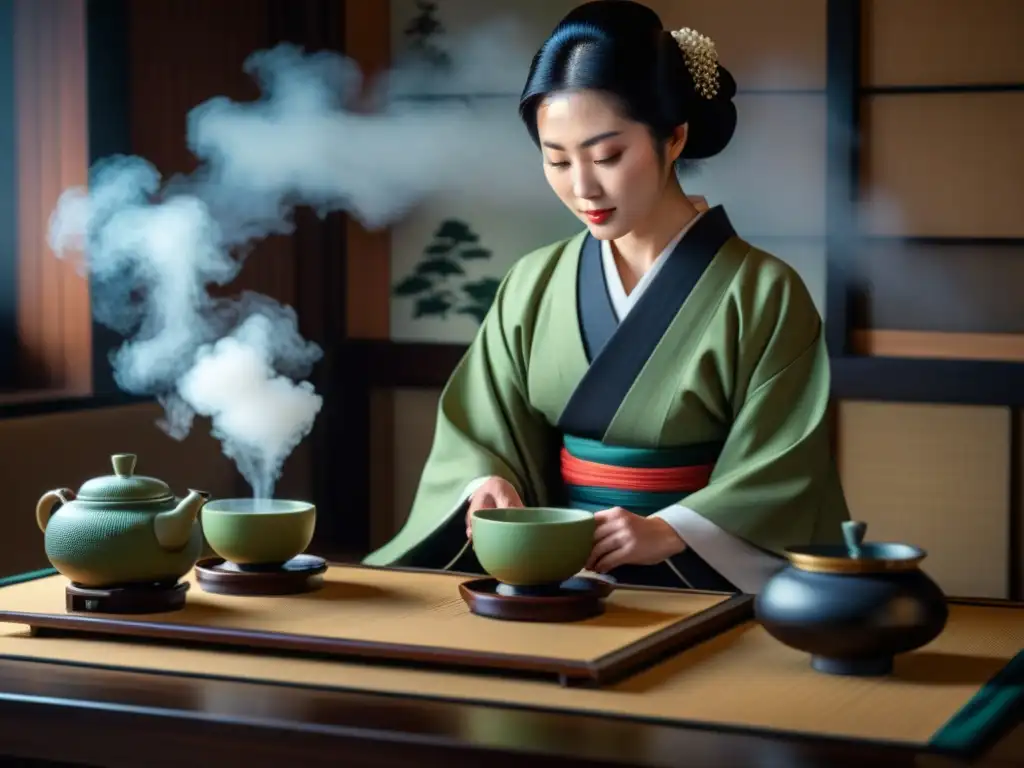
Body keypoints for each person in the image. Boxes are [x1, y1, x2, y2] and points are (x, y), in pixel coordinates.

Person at [364, 0, 850, 594]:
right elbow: (479, 427)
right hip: (556, 575)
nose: (582, 186)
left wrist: (671, 530)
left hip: (698, 579)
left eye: (607, 156)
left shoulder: (763, 293)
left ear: (673, 138)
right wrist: (483, 482)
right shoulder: (533, 283)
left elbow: (784, 466)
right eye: (557, 160)